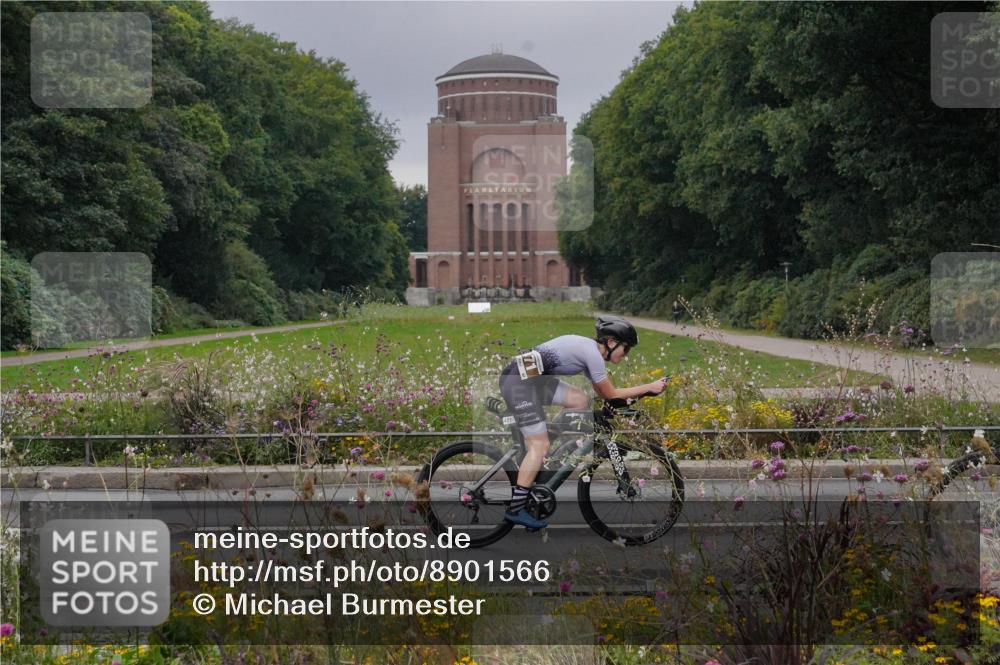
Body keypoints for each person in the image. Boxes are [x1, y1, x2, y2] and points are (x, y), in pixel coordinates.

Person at [498, 315, 669, 529]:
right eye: (626, 349)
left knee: (579, 400)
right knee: (538, 445)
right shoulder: (592, 354)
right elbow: (611, 393)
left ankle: (545, 454)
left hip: (529, 380)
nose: (626, 355)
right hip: (519, 384)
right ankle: (516, 508)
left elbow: (605, 395)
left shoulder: (591, 352)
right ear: (612, 342)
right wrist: (649, 387)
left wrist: (641, 394)